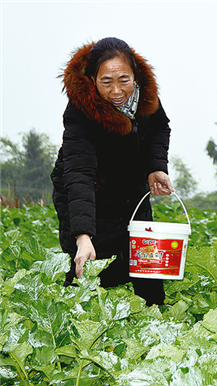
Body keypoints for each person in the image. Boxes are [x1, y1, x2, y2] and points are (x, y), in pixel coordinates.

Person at [51, 37, 174, 306]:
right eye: (106, 82)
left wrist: (155, 168)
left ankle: (155, 322)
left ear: (136, 76)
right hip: (88, 193)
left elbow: (159, 128)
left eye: (124, 80)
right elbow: (78, 173)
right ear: (93, 79)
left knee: (146, 260)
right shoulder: (80, 111)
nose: (117, 90)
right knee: (88, 267)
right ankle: (78, 322)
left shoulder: (145, 96)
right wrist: (83, 235)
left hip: (131, 188)